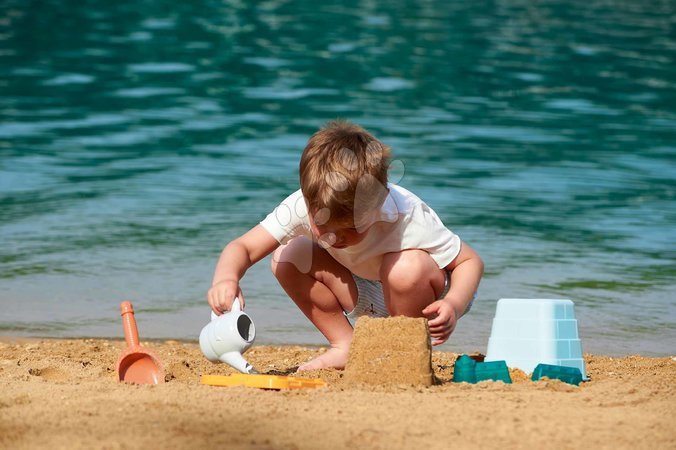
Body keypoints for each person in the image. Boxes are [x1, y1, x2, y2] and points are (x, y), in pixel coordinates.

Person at [207, 120, 484, 371]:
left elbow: (470, 262)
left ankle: (404, 351)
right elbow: (242, 247)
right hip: (366, 288)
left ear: (379, 202)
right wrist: (226, 278)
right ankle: (345, 345)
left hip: (424, 293)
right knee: (287, 256)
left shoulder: (406, 214)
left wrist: (454, 305)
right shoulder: (301, 205)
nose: (335, 238)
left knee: (403, 268)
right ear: (307, 200)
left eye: (351, 229)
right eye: (323, 227)